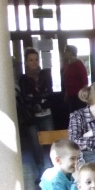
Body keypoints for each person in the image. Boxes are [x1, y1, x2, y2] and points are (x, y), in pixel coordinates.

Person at [17, 47, 54, 180]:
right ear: (26, 62)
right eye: (31, 60)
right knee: (35, 144)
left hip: (46, 113)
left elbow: (49, 92)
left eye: (36, 59)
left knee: (51, 142)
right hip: (31, 115)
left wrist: (36, 97)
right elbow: (25, 96)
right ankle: (40, 171)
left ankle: (55, 169)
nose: (34, 62)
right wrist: (39, 98)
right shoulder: (23, 78)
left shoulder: (45, 74)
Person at [62, 44, 88, 113]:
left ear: (71, 52)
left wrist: (84, 96)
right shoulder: (68, 65)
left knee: (79, 114)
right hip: (70, 95)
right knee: (72, 114)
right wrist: (66, 94)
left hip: (78, 96)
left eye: (66, 51)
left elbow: (85, 81)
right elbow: (67, 80)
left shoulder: (78, 64)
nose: (64, 53)